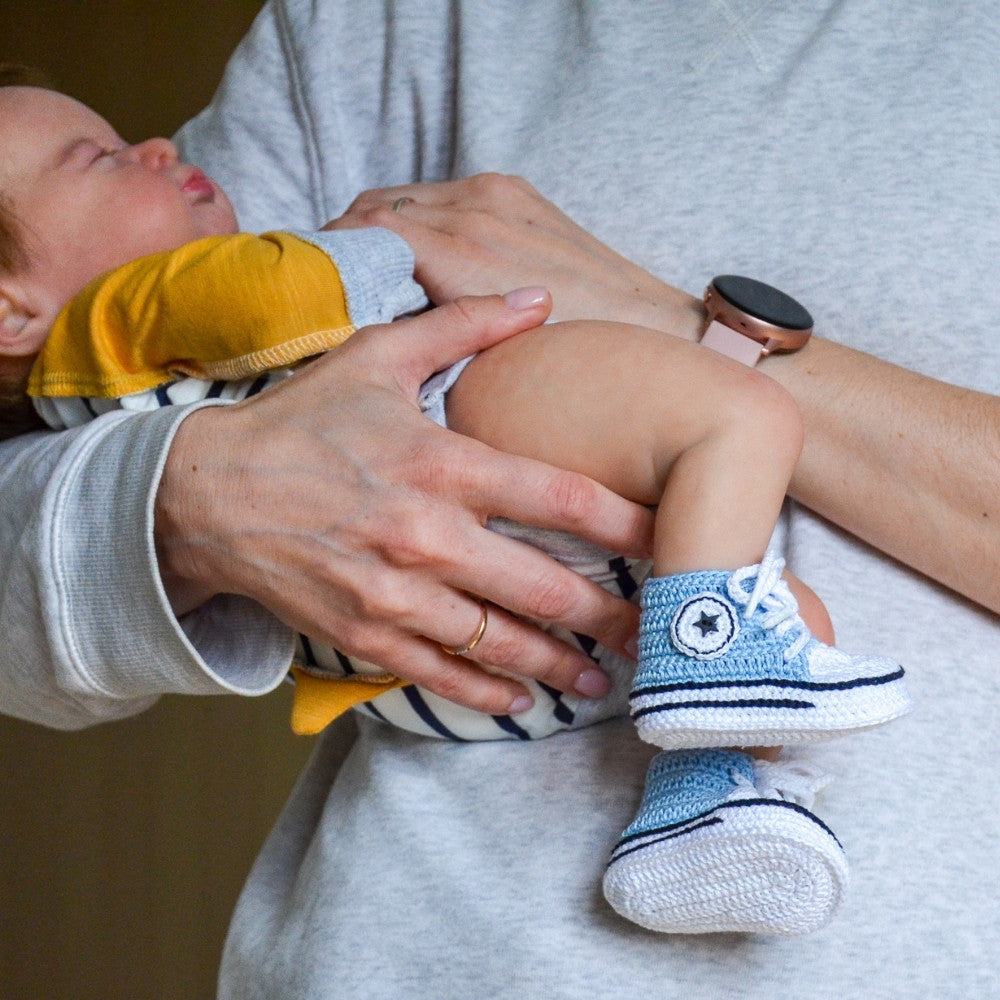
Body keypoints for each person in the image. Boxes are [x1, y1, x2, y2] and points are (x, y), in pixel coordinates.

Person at [1, 1, 998, 996]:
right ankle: (704, 755)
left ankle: (704, 787)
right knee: (747, 584)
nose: (156, 143)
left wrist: (653, 315)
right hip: (417, 951)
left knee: (790, 623)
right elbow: (241, 309)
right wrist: (187, 492)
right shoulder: (373, 25)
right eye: (94, 160)